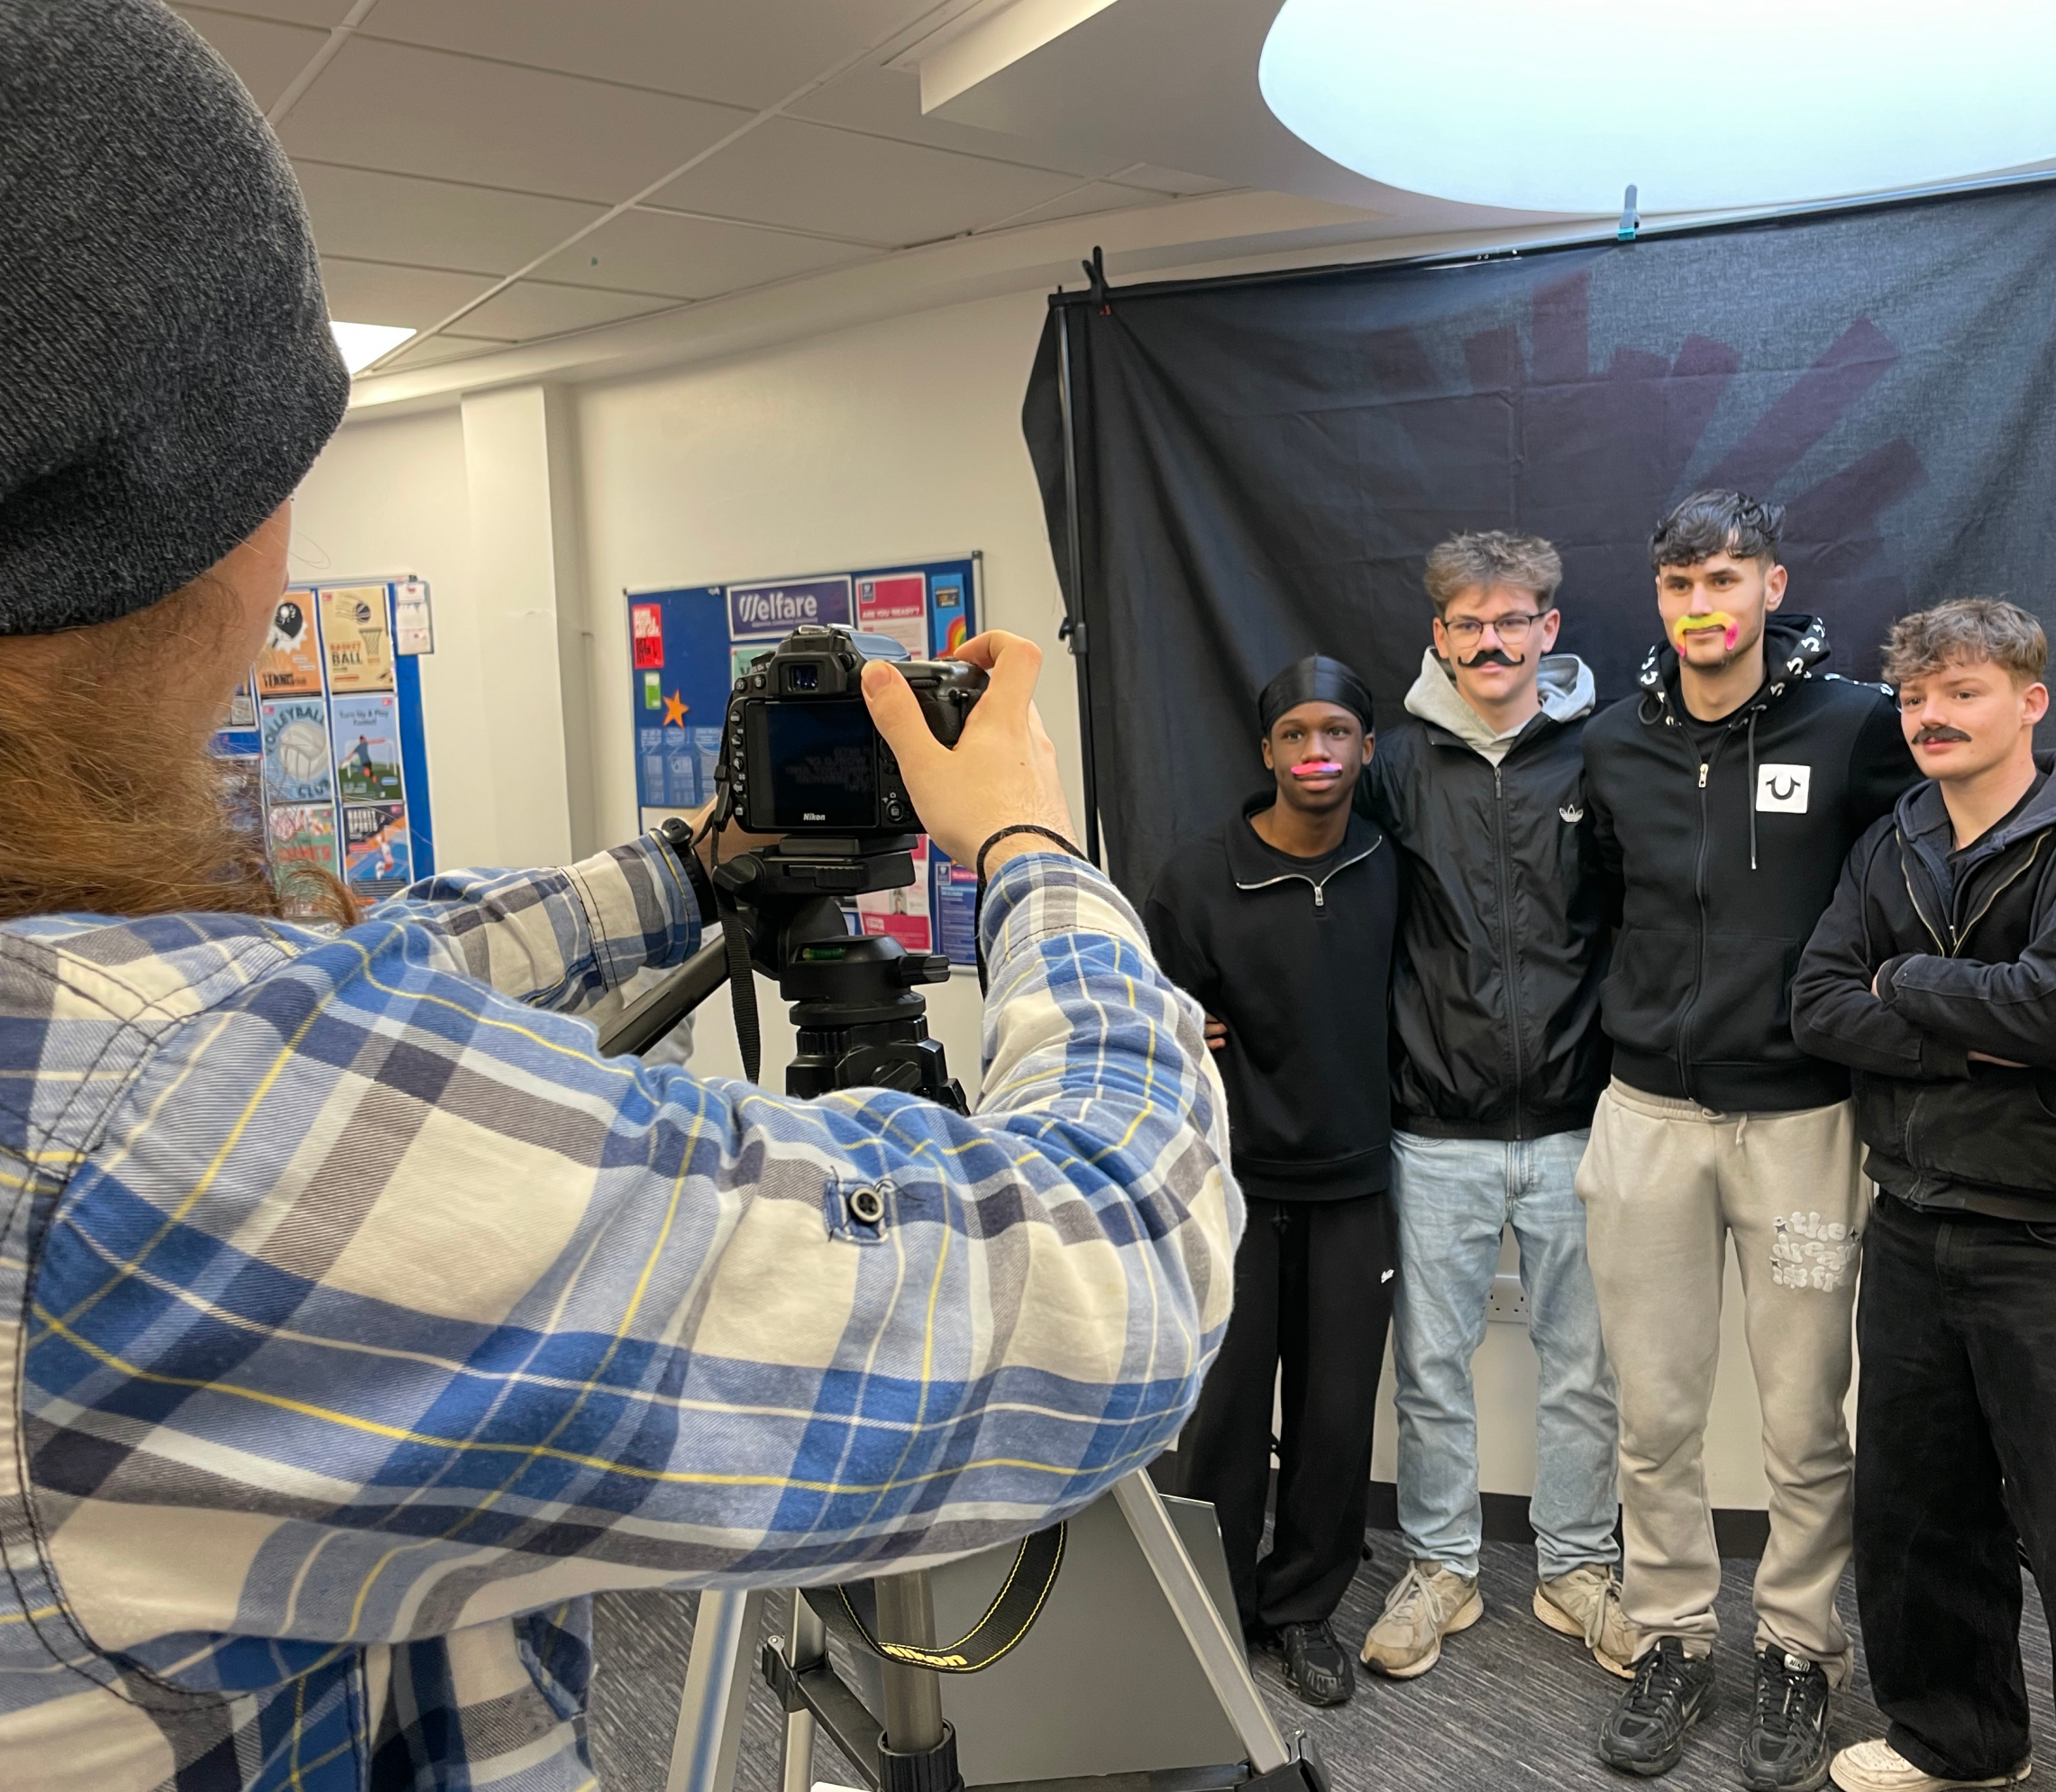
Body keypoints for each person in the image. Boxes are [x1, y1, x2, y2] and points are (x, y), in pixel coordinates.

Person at [0, 6, 1238, 1787]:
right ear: (207, 521)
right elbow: (1107, 1275)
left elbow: (342, 979)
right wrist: (1031, 857)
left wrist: (692, 869)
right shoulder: (170, 1122)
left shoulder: (119, 1043)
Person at [1788, 599, 2056, 1792]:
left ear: (2029, 701)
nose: (1930, 718)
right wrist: (1972, 1027)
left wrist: (1901, 979)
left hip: (2053, 1242)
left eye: (1959, 693)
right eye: (1912, 698)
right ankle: (1958, 1743)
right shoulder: (1893, 838)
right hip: (1908, 1223)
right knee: (1917, 1520)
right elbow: (1816, 1004)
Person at [1576, 490, 1917, 1787]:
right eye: (1678, 583)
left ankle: (1794, 1648)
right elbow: (1598, 905)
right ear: (1656, 598)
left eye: (1725, 576)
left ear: (1772, 587)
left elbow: (1907, 884)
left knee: (1800, 1418)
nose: (1701, 604)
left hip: (1802, 1127)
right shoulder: (1612, 745)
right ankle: (1669, 1636)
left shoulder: (1857, 729)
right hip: (1647, 1120)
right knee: (1654, 1415)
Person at [1352, 531, 1630, 1683]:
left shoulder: (1601, 754)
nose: (1490, 641)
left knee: (1583, 1362)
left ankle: (1576, 1568)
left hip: (1577, 1113)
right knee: (1431, 1365)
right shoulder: (1396, 765)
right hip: (1439, 1123)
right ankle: (1443, 1570)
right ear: (1440, 637)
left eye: (1511, 619)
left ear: (1547, 631)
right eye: (1467, 623)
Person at [1141, 655, 1400, 1707]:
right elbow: (1147, 1015)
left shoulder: (1392, 864)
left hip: (1353, 1185)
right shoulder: (1195, 876)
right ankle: (1212, 1609)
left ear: (1367, 749)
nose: (1315, 753)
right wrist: (1174, 1019)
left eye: (1335, 732)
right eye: (1294, 734)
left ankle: (1301, 1611)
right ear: (1266, 752)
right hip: (1230, 1186)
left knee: (1337, 1418)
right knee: (1227, 1411)